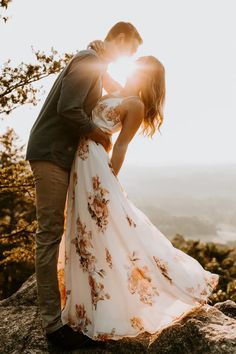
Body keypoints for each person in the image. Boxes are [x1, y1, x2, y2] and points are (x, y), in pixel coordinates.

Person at [57, 55, 219, 343]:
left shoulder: (136, 105)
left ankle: (108, 306)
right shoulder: (115, 91)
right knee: (82, 231)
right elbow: (96, 71)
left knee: (102, 231)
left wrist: (109, 180)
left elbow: (120, 146)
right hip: (79, 161)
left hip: (96, 165)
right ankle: (85, 306)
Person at [25, 22, 143, 351]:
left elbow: (112, 88)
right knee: (49, 234)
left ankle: (73, 312)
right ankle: (53, 326)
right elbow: (67, 108)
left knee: (64, 232)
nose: (131, 55)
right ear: (120, 37)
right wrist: (97, 132)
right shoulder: (89, 60)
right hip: (50, 153)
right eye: (132, 48)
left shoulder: (95, 61)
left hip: (61, 155)